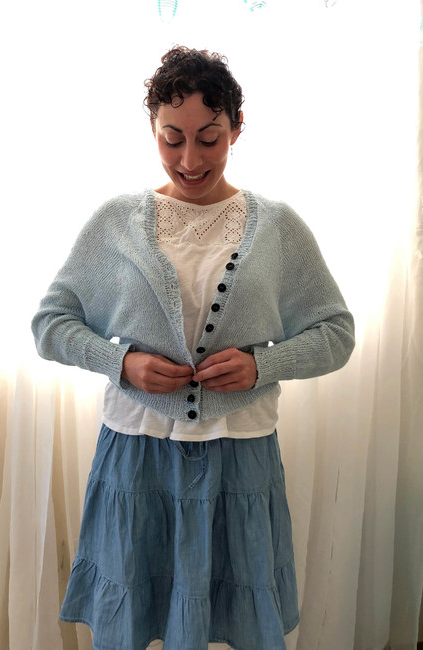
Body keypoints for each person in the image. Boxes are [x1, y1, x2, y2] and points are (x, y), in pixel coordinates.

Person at [31, 46, 355, 650]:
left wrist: (263, 365)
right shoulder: (116, 222)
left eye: (209, 138)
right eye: (171, 138)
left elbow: (336, 332)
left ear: (237, 128)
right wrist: (121, 362)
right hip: (137, 450)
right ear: (152, 129)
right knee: (133, 613)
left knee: (235, 610)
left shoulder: (277, 226)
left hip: (240, 451)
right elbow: (51, 323)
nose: (190, 159)